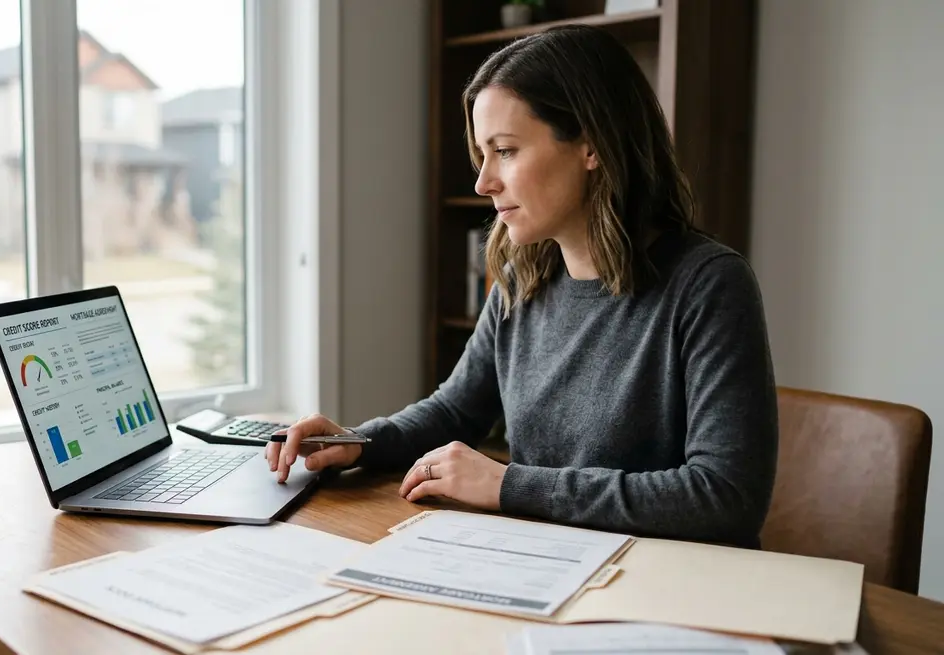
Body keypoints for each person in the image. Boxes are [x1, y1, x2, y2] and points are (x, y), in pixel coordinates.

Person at [266, 25, 778, 548]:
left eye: (505, 150)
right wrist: (358, 442)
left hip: (668, 586)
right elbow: (454, 411)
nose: (483, 182)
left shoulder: (709, 285)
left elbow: (725, 498)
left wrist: (509, 484)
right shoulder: (523, 277)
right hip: (549, 562)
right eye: (482, 155)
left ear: (591, 146)